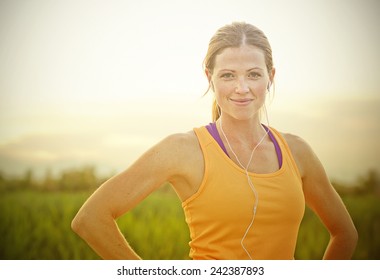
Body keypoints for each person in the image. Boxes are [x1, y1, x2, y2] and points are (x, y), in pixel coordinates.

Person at [71, 22, 358, 260]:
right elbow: (91, 218)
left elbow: (345, 233)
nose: (242, 88)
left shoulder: (297, 152)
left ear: (270, 77)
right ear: (210, 78)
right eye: (228, 75)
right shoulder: (183, 150)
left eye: (254, 74)